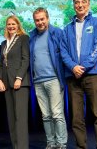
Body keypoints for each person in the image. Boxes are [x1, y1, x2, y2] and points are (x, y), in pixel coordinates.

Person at [60, 0, 97, 149]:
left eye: (83, 2)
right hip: (73, 77)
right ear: (73, 5)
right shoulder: (67, 29)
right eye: (77, 2)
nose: (80, 5)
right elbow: (63, 51)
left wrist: (84, 66)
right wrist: (73, 67)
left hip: (94, 75)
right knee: (76, 118)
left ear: (89, 4)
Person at [29, 8, 68, 149]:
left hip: (54, 79)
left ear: (48, 18)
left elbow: (65, 53)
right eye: (37, 20)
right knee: (46, 115)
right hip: (38, 81)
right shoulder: (31, 36)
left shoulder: (57, 33)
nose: (40, 22)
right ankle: (51, 143)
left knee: (57, 114)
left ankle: (61, 144)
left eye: (42, 19)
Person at [0, 15, 30, 149]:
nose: (11, 26)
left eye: (13, 24)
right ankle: (15, 146)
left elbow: (25, 59)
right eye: (9, 24)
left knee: (20, 118)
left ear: (18, 25)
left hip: (19, 83)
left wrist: (19, 78)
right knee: (11, 118)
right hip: (6, 83)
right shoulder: (4, 43)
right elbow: (0, 64)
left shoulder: (23, 38)